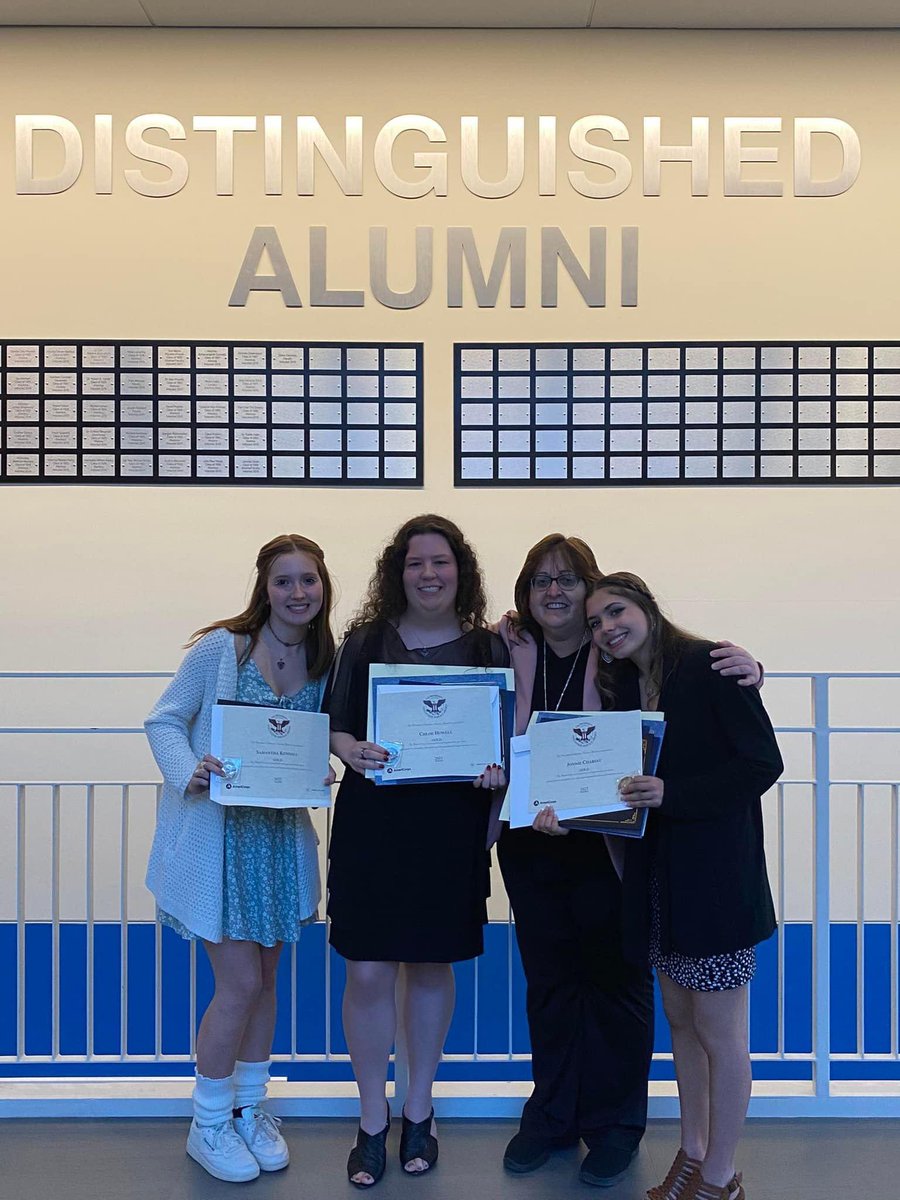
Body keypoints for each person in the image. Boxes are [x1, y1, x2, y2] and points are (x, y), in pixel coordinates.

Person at [498, 535, 762, 1189]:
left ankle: (641, 1138)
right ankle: (572, 1124)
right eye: (539, 581)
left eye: (572, 584)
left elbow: (753, 756)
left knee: (635, 999)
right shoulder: (512, 648)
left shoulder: (666, 667)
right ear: (525, 595)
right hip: (604, 859)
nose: (556, 594)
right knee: (575, 993)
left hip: (644, 860)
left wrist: (753, 668)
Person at [144, 534, 336, 1183]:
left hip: (280, 844)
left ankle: (251, 1111)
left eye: (308, 579)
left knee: (267, 985)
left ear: (322, 586)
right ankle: (207, 1123)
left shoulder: (323, 655)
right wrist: (186, 770)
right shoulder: (220, 649)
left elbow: (322, 731)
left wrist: (323, 764)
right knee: (240, 985)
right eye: (284, 581)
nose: (298, 592)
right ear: (264, 586)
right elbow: (164, 720)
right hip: (222, 844)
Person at [325, 514, 508, 1187]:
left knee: (431, 967)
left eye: (441, 561)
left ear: (461, 570)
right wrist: (349, 748)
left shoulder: (490, 649)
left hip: (450, 828)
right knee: (368, 973)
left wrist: (496, 782)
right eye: (414, 563)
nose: (428, 574)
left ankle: (420, 1110)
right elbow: (335, 728)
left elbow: (503, 747)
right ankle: (372, 1120)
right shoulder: (365, 640)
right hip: (374, 821)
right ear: (395, 572)